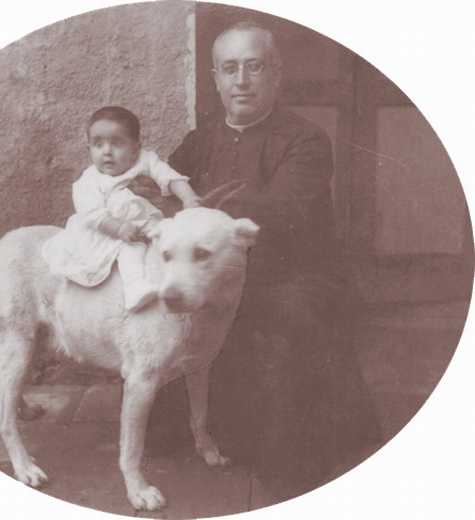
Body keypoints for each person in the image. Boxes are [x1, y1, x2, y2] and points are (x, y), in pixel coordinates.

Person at [144, 21, 382, 502]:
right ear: (215, 78)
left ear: (276, 74)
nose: (242, 81)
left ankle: (282, 458)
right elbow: (163, 195)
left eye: (254, 67)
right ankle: (193, 432)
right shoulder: (200, 139)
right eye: (230, 68)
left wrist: (198, 210)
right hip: (220, 272)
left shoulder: (305, 139)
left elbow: (281, 212)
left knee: (290, 318)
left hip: (290, 273)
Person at [42, 106, 201, 311]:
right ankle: (135, 288)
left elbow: (169, 177)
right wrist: (119, 229)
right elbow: (93, 214)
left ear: (135, 149)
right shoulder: (90, 180)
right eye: (98, 144)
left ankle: (178, 285)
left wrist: (189, 198)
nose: (107, 151)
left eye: (116, 143)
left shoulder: (144, 160)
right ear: (88, 149)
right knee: (130, 251)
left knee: (171, 242)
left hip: (146, 225)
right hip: (108, 232)